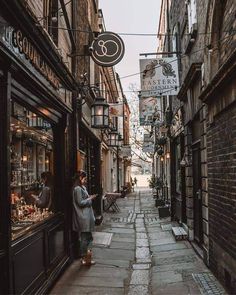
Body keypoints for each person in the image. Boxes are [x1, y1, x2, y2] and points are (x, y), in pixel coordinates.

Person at [72, 170, 97, 266]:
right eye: (84, 178)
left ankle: (88, 256)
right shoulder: (77, 189)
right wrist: (90, 199)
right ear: (80, 178)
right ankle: (84, 257)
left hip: (87, 215)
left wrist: (89, 198)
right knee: (85, 237)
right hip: (83, 216)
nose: (86, 180)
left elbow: (83, 200)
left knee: (88, 237)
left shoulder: (82, 187)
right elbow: (80, 203)